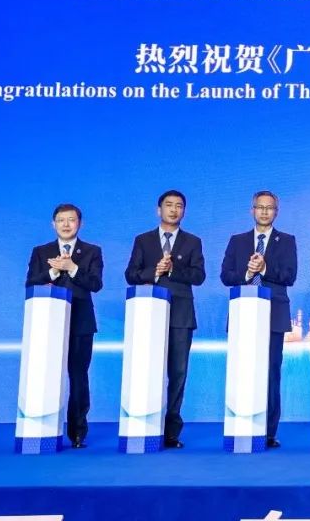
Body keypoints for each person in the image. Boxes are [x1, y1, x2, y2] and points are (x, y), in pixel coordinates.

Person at [124, 190, 206, 449]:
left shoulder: (193, 241)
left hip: (181, 315)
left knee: (178, 373)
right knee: (147, 370)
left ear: (184, 211)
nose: (173, 210)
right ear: (158, 210)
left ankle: (171, 431)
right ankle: (146, 425)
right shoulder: (143, 240)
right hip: (148, 314)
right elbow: (131, 274)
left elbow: (199, 276)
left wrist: (173, 269)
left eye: (179, 206)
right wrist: (154, 272)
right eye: (169, 205)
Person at [220, 190, 297, 449]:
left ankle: (268, 432)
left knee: (271, 373)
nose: (264, 211)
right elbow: (226, 276)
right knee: (242, 371)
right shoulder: (237, 241)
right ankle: (241, 425)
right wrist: (247, 273)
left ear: (276, 211)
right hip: (243, 315)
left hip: (274, 314)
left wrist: (264, 269)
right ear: (252, 210)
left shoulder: (286, 241)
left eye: (269, 207)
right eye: (260, 207)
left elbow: (289, 276)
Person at [25, 203, 103, 449]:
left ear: (80, 223)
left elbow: (95, 284)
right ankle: (45, 430)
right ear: (53, 224)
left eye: (71, 220)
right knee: (46, 375)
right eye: (61, 220)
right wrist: (52, 272)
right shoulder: (41, 252)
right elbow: (30, 283)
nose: (66, 224)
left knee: (78, 377)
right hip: (48, 324)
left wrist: (72, 268)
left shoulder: (91, 251)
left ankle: (77, 432)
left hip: (81, 324)